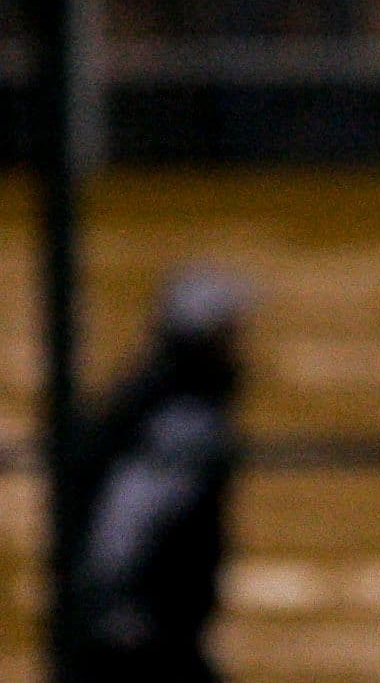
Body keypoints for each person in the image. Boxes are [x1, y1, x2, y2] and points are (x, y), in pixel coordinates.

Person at [71, 264, 251, 680]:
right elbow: (126, 520)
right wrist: (122, 613)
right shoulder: (184, 420)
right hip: (144, 636)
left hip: (138, 629)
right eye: (230, 332)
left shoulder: (149, 402)